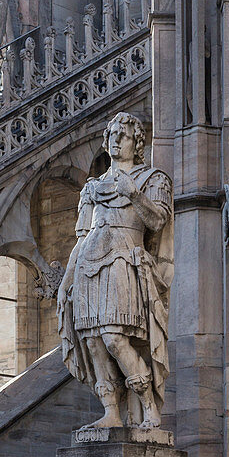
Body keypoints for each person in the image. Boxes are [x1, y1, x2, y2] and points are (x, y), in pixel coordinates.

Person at [56, 112, 173, 431]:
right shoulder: (92, 187)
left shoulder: (153, 179)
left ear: (137, 143)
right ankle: (111, 412)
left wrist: (134, 194)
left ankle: (150, 408)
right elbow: (81, 237)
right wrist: (66, 281)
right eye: (111, 134)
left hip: (124, 261)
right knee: (93, 340)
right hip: (88, 266)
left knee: (114, 337)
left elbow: (158, 222)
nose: (115, 140)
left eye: (123, 135)